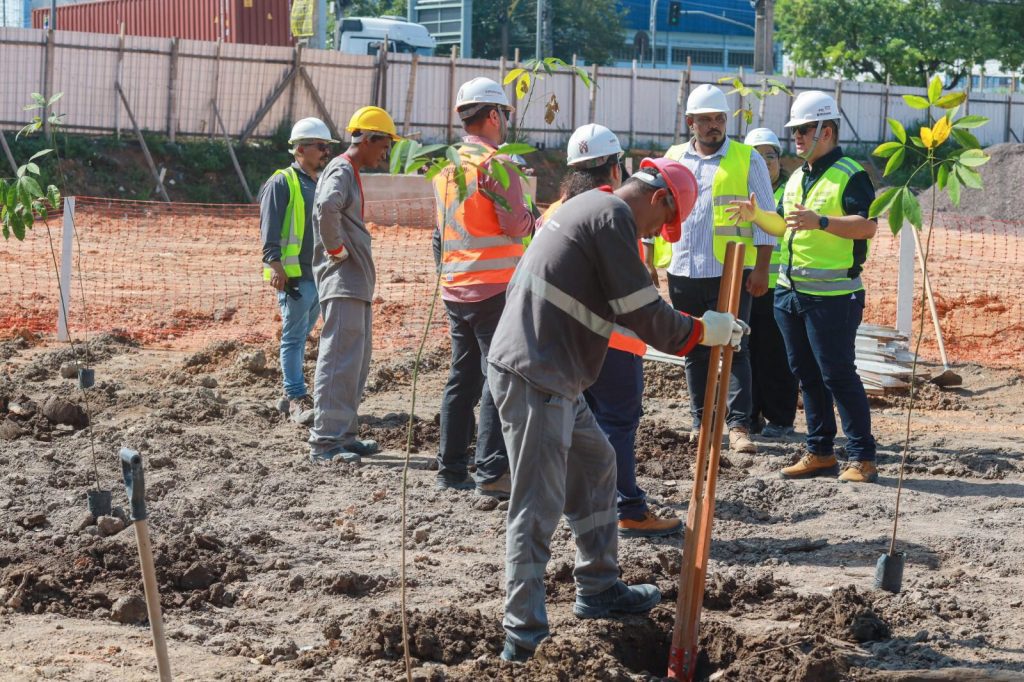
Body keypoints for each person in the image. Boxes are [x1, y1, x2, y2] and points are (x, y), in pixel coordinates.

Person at [488, 157, 748, 662]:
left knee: (597, 463)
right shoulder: (612, 217)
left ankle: (599, 587)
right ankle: (522, 636)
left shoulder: (590, 204)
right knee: (536, 506)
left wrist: (695, 328)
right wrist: (701, 332)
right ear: (660, 198)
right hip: (537, 373)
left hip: (549, 369)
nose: (656, 236)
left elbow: (618, 311)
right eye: (663, 225)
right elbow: (644, 313)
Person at [726, 91, 879, 483]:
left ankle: (862, 457)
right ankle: (820, 451)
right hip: (790, 294)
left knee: (837, 374)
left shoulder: (851, 173)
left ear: (825, 131)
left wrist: (822, 222)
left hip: (832, 298)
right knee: (807, 375)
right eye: (794, 130)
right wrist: (756, 215)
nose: (795, 137)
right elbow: (783, 227)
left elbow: (868, 226)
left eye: (803, 130)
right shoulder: (797, 177)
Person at [538, 124, 682, 537]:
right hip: (615, 343)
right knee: (617, 425)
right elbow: (631, 298)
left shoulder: (555, 210)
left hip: (567, 346)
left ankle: (586, 503)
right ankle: (627, 507)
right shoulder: (614, 213)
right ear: (616, 169)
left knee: (580, 428)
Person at [658, 84, 777, 455]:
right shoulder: (674, 157)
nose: (714, 126)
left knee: (734, 345)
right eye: (706, 120)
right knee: (694, 347)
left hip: (730, 271)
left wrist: (761, 269)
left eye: (719, 118)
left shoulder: (747, 158)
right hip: (683, 269)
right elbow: (660, 211)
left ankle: (738, 426)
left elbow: (767, 218)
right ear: (690, 122)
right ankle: (701, 423)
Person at [431, 77, 533, 499]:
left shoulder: (446, 166)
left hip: (456, 286)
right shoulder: (498, 164)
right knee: (498, 377)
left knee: (463, 376)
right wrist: (533, 217)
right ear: (493, 115)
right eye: (505, 114)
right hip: (494, 288)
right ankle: (492, 472)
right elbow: (514, 226)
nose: (506, 122)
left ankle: (451, 467)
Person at [307, 106, 399, 464]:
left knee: (355, 363)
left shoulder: (350, 171)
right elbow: (327, 207)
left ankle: (344, 434)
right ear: (369, 138)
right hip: (343, 282)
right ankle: (325, 442)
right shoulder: (343, 168)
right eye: (384, 145)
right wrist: (336, 250)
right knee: (339, 361)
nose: (386, 153)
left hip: (355, 284)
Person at [259, 117, 335, 426]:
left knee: (302, 336)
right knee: (293, 338)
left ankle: (290, 393)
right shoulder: (283, 181)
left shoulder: (317, 182)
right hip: (293, 277)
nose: (325, 152)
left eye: (327, 147)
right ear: (301, 148)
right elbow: (270, 228)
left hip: (316, 274)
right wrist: (274, 265)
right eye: (320, 146)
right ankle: (295, 396)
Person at [743, 127, 799, 439]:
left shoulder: (790, 192)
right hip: (748, 281)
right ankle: (750, 417)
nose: (765, 162)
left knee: (777, 355)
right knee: (746, 352)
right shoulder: (739, 192)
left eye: (771, 155)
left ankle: (780, 418)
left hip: (781, 285)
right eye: (757, 156)